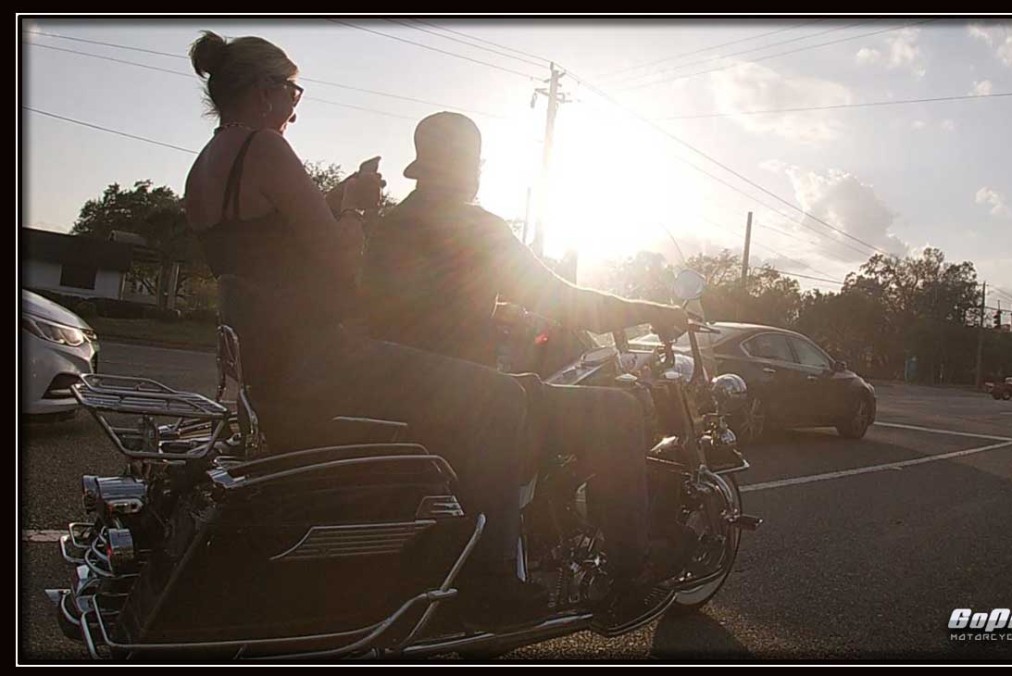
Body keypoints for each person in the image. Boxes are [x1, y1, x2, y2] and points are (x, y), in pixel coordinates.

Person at [183, 31, 546, 626]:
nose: (296, 106)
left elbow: (268, 247)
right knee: (502, 397)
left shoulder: (207, 165)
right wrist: (357, 208)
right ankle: (491, 582)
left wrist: (336, 199)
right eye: (293, 90)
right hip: (321, 361)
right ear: (267, 91)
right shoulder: (267, 149)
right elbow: (339, 259)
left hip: (265, 371)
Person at [361, 111, 691, 633]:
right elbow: (566, 300)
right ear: (468, 165)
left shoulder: (394, 223)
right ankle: (630, 574)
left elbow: (412, 311)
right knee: (618, 411)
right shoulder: (476, 226)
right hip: (464, 398)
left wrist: (492, 314)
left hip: (404, 391)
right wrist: (652, 309)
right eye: (477, 162)